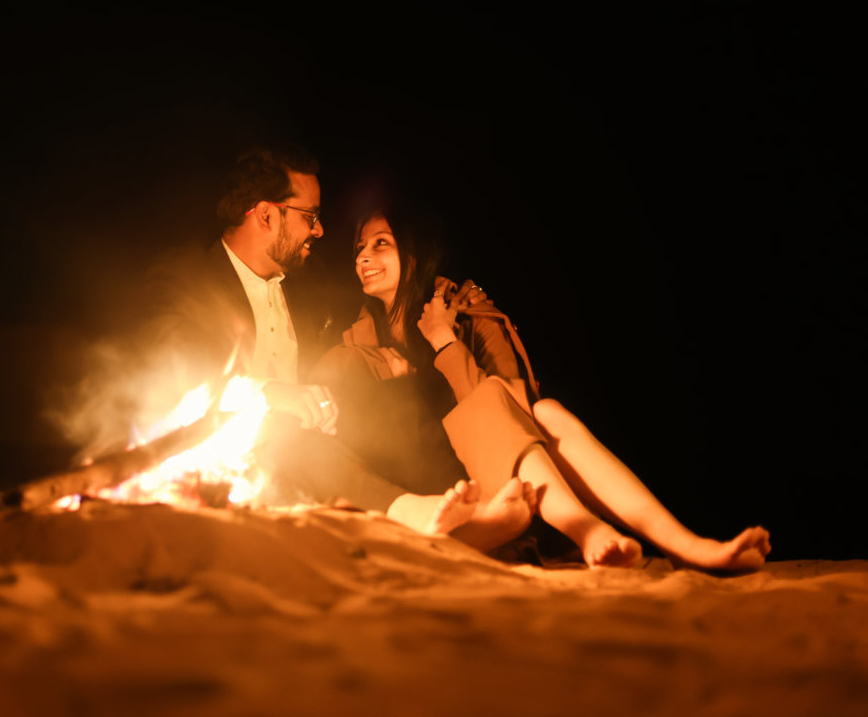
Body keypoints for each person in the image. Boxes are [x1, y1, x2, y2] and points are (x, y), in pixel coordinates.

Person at [310, 200, 772, 571]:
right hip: (435, 490)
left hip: (510, 477)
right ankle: (588, 530)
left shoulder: (466, 312)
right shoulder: (354, 339)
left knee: (546, 411)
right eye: (359, 248)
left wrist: (444, 342)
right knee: (529, 411)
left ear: (414, 253)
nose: (363, 257)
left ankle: (686, 544)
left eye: (381, 244)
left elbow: (513, 405)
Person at [130, 142, 525, 537]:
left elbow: (395, 294)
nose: (319, 230)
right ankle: (420, 515)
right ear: (266, 215)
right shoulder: (185, 277)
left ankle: (465, 507)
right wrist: (269, 393)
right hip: (222, 458)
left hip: (322, 451)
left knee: (400, 404)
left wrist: (455, 297)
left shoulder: (312, 282)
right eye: (310, 216)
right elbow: (175, 375)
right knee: (288, 436)